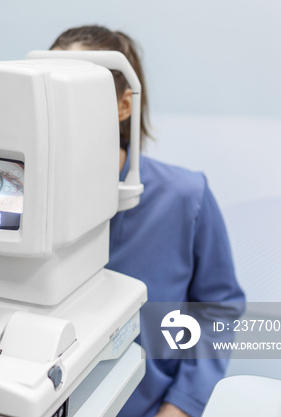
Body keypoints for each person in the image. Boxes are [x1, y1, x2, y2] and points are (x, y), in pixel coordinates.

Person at [50, 25, 245, 417]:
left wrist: (181, 406)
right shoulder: (31, 200)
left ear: (124, 105)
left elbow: (218, 311)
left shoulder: (185, 197)